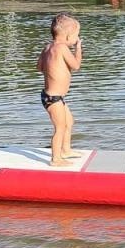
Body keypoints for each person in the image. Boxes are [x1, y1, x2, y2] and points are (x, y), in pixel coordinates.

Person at [36, 13, 83, 167]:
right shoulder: (62, 48)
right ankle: (55, 159)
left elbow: (39, 67)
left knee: (69, 122)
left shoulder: (47, 47)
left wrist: (53, 68)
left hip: (53, 96)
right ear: (68, 36)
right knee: (60, 127)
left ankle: (66, 150)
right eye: (76, 35)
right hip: (53, 98)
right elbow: (76, 66)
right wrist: (78, 48)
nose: (77, 38)